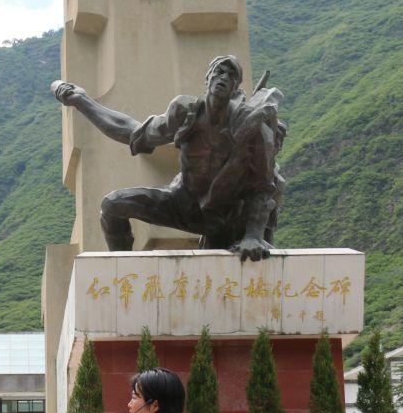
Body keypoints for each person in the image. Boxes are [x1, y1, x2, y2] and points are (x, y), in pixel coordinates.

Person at [52, 55, 286, 261]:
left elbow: (263, 188)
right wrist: (82, 101)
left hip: (225, 217)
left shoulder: (251, 127)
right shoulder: (186, 112)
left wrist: (253, 236)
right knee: (113, 205)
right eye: (219, 71)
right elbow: (132, 131)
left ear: (236, 87)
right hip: (182, 202)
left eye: (231, 74)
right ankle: (122, 268)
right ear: (208, 78)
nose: (223, 77)